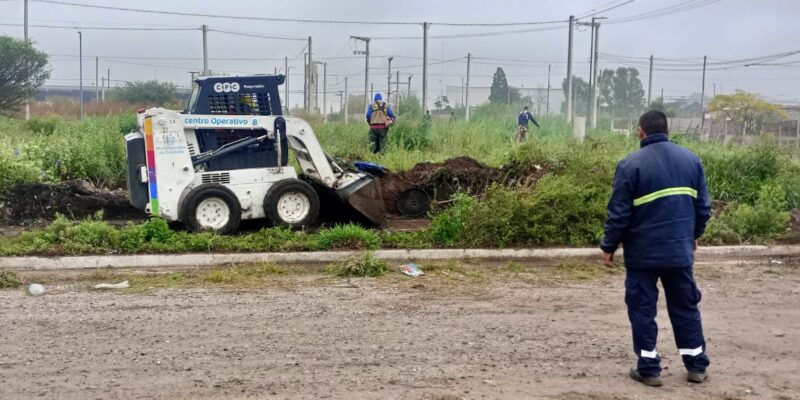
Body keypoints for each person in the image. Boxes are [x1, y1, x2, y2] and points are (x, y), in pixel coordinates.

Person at [601, 110, 712, 387]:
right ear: (668, 131)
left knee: (642, 310)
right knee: (685, 307)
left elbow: (619, 213)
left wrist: (609, 246)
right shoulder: (691, 160)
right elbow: (703, 208)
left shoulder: (630, 164)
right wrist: (693, 234)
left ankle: (649, 369)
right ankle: (696, 366)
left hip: (643, 255)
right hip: (678, 252)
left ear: (640, 132)